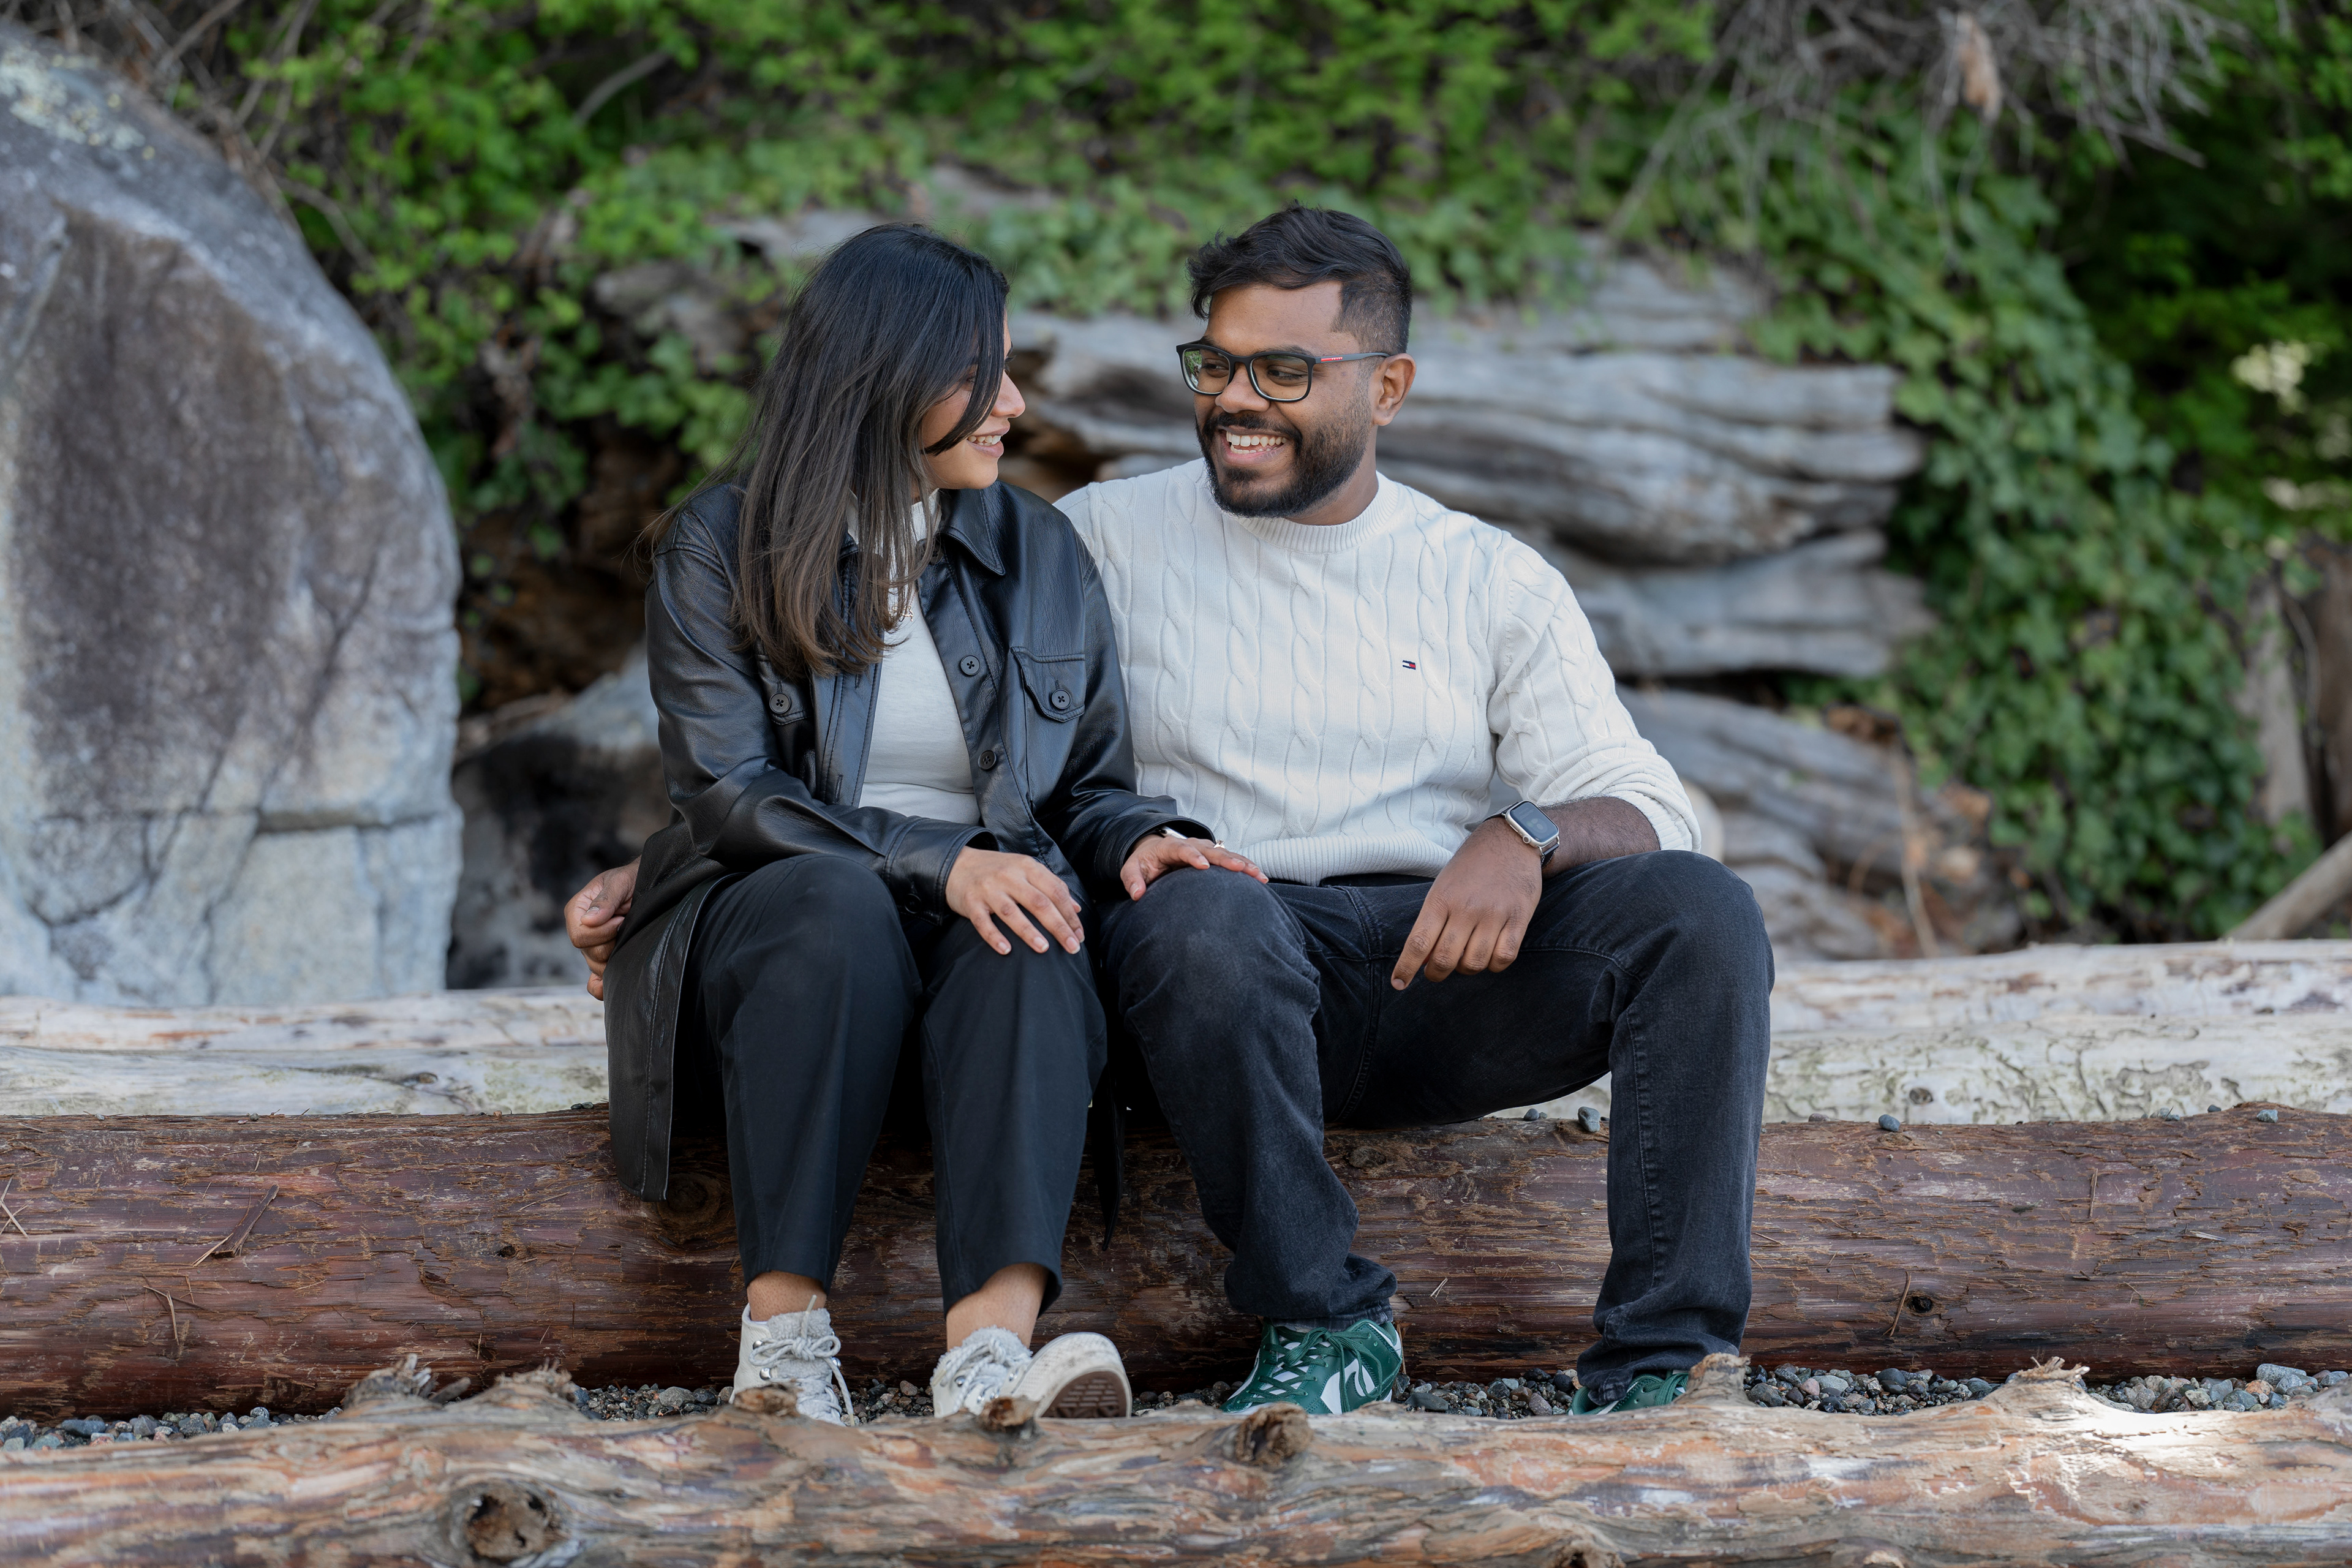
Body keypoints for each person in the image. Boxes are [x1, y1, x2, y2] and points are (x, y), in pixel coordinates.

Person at [576, 205, 1773, 1422]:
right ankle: (1322, 1321)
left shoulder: (1488, 578)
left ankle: (1664, 1362)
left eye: (1283, 371)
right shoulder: (1099, 534)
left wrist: (1526, 836)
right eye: (1217, 364)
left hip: (1439, 955)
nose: (1237, 399)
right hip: (1213, 963)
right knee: (1192, 916)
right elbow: (822, 759)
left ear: (1388, 387)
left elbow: (1648, 800)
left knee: (1703, 915)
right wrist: (679, 865)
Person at [587, 224, 1262, 1428]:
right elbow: (731, 796)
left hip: (969, 928)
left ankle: (989, 1365)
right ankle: (784, 1350)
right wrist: (941, 862)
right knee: (838, 900)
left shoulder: (1038, 549)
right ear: (884, 377)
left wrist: (1134, 839)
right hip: (779, 918)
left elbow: (1085, 785)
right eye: (981, 375)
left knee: (1037, 922)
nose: (1013, 404)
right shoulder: (720, 544)